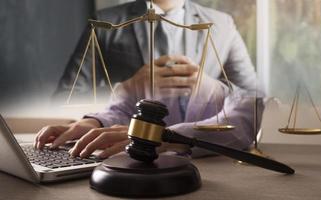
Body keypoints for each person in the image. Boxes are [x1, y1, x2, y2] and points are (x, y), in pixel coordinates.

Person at [36, 0, 263, 158]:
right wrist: (100, 116)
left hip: (208, 154)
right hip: (130, 151)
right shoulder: (105, 22)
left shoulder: (222, 23)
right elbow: (71, 97)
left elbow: (254, 98)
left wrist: (213, 87)